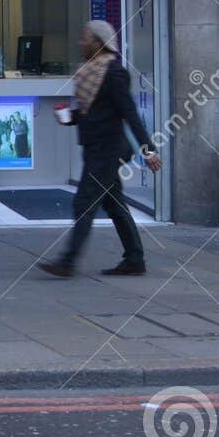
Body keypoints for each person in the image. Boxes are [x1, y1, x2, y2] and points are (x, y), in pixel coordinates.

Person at [39, 21, 160, 278]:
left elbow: (129, 113)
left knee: (84, 201)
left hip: (109, 149)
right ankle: (135, 259)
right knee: (115, 204)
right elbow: (90, 113)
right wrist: (68, 117)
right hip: (95, 148)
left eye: (85, 39)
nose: (80, 43)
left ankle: (67, 262)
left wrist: (148, 150)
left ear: (98, 44)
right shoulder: (89, 72)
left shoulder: (114, 72)